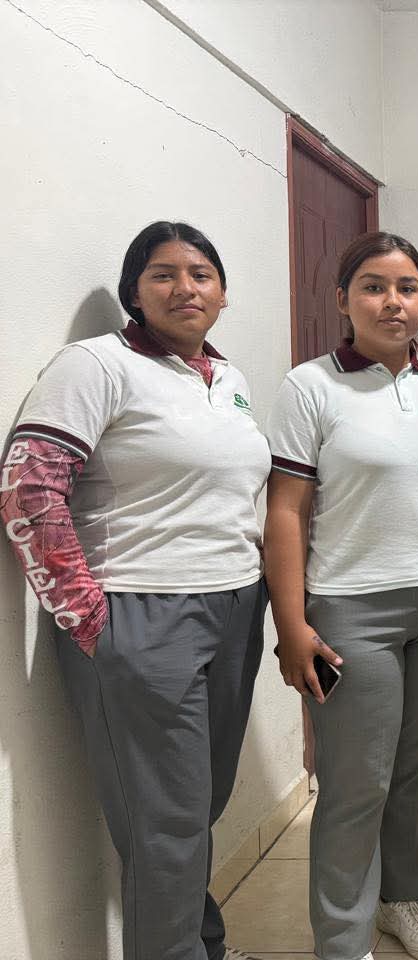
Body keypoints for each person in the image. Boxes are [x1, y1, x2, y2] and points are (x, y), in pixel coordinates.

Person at [0, 221, 270, 960]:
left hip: (235, 607)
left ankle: (199, 943)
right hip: (143, 613)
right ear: (134, 290)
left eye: (201, 273)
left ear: (221, 291)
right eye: (164, 274)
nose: (186, 288)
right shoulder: (96, 365)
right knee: (168, 820)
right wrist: (89, 618)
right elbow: (29, 490)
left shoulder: (228, 379)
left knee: (196, 806)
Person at [263, 231, 418, 960]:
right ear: (343, 300)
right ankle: (341, 937)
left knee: (411, 768)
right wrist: (292, 621)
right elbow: (286, 511)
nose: (392, 302)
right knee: (355, 778)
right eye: (373, 286)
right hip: (349, 608)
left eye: (407, 288)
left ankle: (402, 900)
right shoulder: (311, 386)